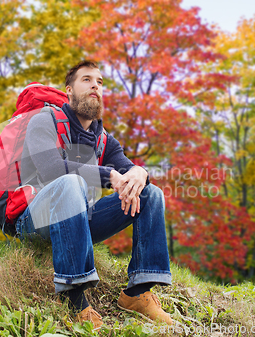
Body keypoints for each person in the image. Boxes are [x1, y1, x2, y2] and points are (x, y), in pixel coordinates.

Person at [15, 60, 173, 330]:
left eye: (99, 82)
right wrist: (108, 175)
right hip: (33, 219)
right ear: (69, 91)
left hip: (78, 220)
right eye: (86, 80)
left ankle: (137, 293)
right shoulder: (44, 121)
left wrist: (139, 172)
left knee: (151, 194)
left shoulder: (104, 139)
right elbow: (51, 168)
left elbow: (127, 169)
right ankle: (74, 298)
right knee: (70, 183)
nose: (95, 86)